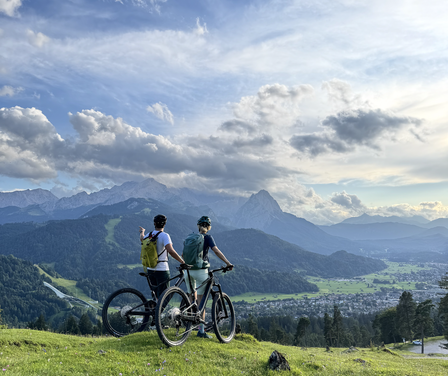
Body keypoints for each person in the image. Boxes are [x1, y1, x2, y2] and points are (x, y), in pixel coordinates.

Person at [183, 215, 233, 339]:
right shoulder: (208, 238)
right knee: (201, 301)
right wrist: (227, 263)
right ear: (209, 227)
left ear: (198, 226)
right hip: (201, 271)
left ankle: (188, 326)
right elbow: (216, 251)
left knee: (190, 298)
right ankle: (201, 331)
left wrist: (183, 265)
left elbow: (183, 254)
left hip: (188, 271)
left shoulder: (191, 237)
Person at [139, 214, 185, 299]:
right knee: (164, 296)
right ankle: (158, 311)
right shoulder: (164, 235)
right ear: (164, 224)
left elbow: (142, 239)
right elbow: (170, 250)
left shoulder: (149, 235)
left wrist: (142, 231)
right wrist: (182, 261)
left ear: (154, 224)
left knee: (155, 296)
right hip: (162, 269)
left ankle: (153, 311)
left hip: (150, 268)